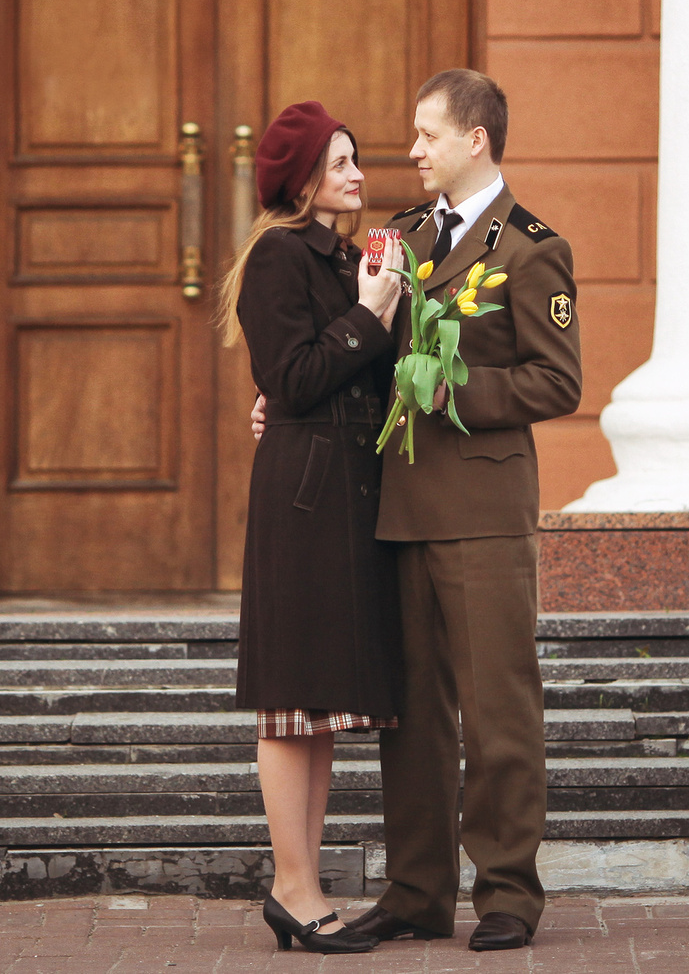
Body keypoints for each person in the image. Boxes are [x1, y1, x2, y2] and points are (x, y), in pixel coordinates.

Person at [348, 68, 582, 954]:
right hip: (403, 505)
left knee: (497, 710)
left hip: (484, 508)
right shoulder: (403, 236)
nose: (413, 149)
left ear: (475, 139)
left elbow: (557, 380)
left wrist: (457, 388)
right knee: (410, 715)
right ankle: (416, 891)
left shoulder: (531, 247)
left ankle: (508, 892)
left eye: (428, 134)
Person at [219, 99, 409, 955]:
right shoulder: (277, 254)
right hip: (304, 503)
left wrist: (379, 306)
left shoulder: (344, 258)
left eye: (356, 158)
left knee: (319, 705)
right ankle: (292, 886)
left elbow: (336, 373)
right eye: (339, 163)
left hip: (346, 497)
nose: (357, 173)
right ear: (301, 180)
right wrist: (369, 312)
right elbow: (293, 377)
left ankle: (301, 883)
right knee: (291, 698)